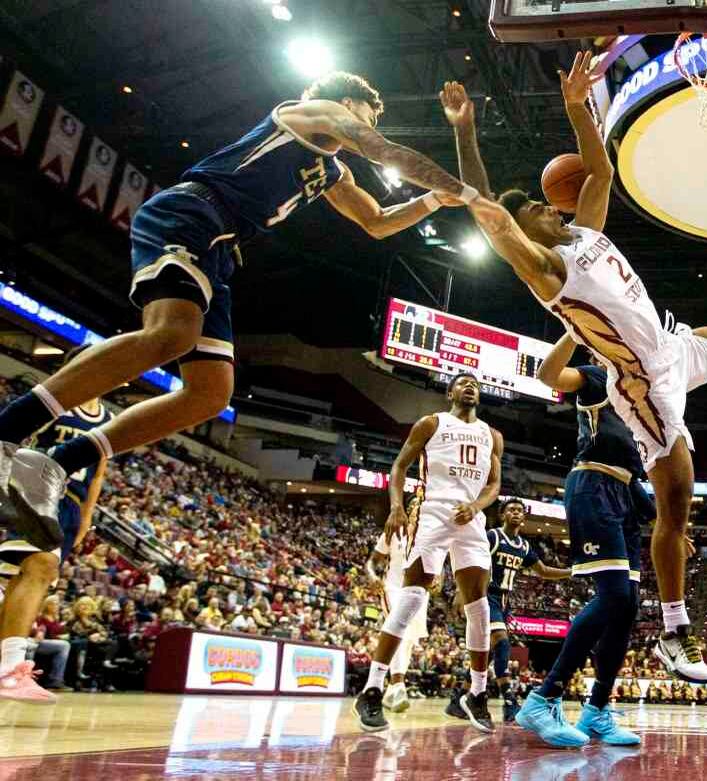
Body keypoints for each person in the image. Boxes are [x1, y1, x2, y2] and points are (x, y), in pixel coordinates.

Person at [443, 54, 707, 684]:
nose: (550, 209)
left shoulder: (588, 234)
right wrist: (465, 131)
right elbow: (486, 212)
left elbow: (599, 168)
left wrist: (579, 108)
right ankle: (677, 634)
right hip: (643, 383)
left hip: (669, 346)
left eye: (548, 207)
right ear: (526, 234)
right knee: (678, 501)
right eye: (536, 214)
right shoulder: (545, 269)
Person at [0, 71, 478, 556]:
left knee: (209, 394)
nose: (373, 123)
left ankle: (60, 460)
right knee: (170, 335)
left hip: (222, 246)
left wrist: (435, 199)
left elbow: (376, 222)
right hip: (192, 213)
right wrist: (466, 191)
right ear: (351, 102)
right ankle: (7, 431)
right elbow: (383, 150)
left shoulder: (334, 171)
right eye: (372, 113)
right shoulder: (313, 113)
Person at [514, 336, 657, 748]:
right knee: (613, 597)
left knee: (627, 607)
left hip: (626, 496)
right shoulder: (598, 378)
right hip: (592, 486)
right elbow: (547, 375)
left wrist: (667, 527)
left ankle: (596, 710)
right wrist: (574, 334)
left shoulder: (640, 407)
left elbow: (638, 477)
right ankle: (544, 697)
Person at [355, 372, 503, 734]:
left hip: (471, 518)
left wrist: (477, 504)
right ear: (450, 391)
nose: (471, 387)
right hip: (433, 511)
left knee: (479, 605)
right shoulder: (432, 423)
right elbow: (399, 466)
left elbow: (495, 484)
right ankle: (373, 689)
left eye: (476, 385)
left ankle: (477, 694)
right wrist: (395, 507)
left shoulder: (492, 435)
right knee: (410, 599)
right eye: (464, 382)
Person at [0, 345, 111, 702]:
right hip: (38, 492)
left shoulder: (108, 417)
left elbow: (98, 474)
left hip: (71, 503)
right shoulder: (55, 400)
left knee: (33, 576)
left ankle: (10, 666)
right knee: (35, 569)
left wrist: (87, 517)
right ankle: (10, 667)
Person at [485, 498, 571, 722]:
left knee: (486, 653)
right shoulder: (492, 536)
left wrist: (570, 572)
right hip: (487, 594)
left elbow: (542, 571)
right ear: (503, 514)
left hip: (505, 600)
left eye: (520, 511)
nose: (516, 513)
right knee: (502, 643)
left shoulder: (523, 546)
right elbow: (473, 561)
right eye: (511, 510)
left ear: (524, 518)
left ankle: (458, 698)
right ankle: (509, 700)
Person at [366, 495, 434, 715]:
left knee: (407, 642)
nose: (416, 509)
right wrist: (372, 576)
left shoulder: (431, 536)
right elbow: (372, 561)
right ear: (408, 510)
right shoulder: (395, 531)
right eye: (413, 506)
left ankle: (392, 691)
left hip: (419, 592)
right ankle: (397, 685)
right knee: (400, 634)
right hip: (393, 587)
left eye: (420, 506)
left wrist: (439, 578)